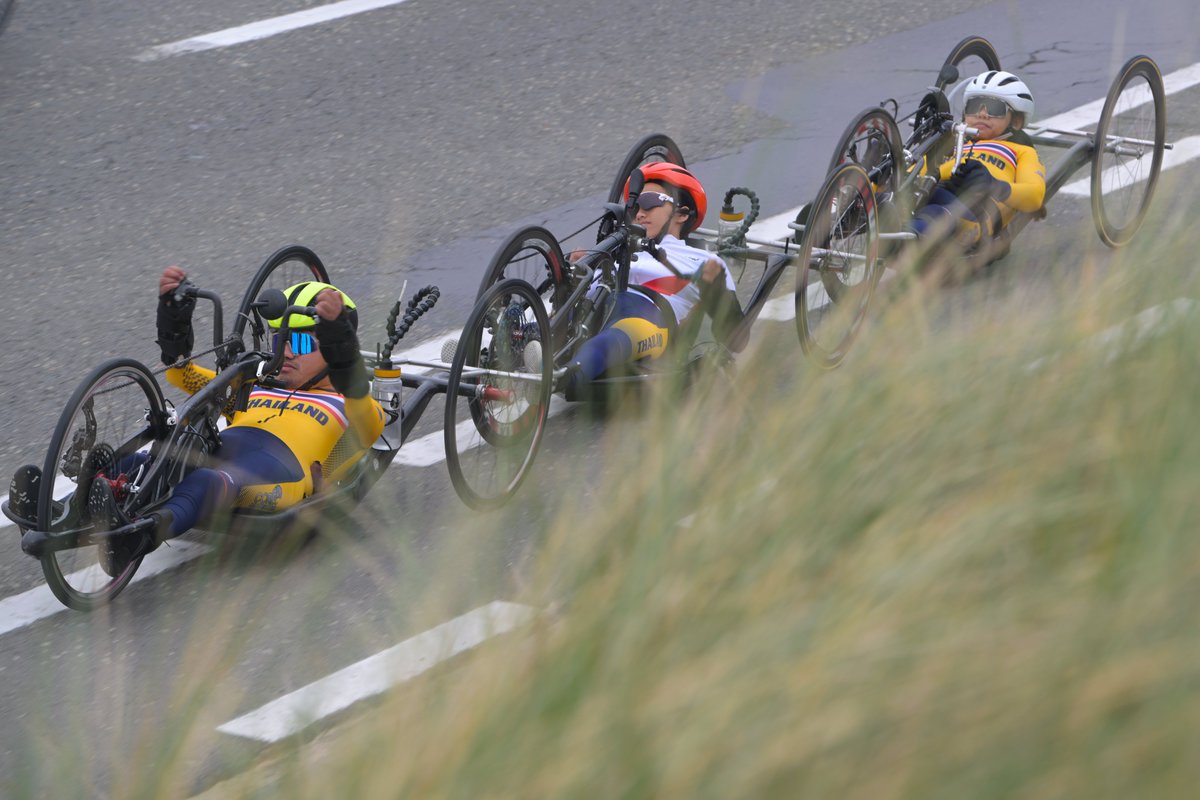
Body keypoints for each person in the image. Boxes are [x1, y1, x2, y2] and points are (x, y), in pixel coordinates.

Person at [84, 267, 384, 574]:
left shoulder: (353, 404)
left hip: (279, 475)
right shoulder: (255, 387)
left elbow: (364, 413)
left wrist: (342, 348)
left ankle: (139, 538)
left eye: (302, 343)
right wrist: (173, 318)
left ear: (334, 349)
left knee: (208, 481)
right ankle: (64, 509)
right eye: (279, 340)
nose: (287, 353)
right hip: (220, 452)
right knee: (139, 462)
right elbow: (182, 374)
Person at [565, 162, 738, 397]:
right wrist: (578, 272)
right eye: (635, 206)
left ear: (681, 213)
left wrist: (716, 287)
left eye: (649, 202)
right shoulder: (617, 251)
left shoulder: (704, 260)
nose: (639, 213)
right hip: (595, 303)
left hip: (648, 316)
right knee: (538, 328)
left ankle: (560, 379)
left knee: (614, 339)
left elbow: (735, 338)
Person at [908, 70, 1047, 251]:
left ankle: (904, 239)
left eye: (994, 108)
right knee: (894, 195)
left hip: (975, 212)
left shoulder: (1021, 151)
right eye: (974, 106)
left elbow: (1035, 196)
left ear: (1017, 121)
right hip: (933, 189)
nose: (982, 114)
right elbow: (912, 174)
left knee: (936, 213)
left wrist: (994, 185)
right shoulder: (955, 144)